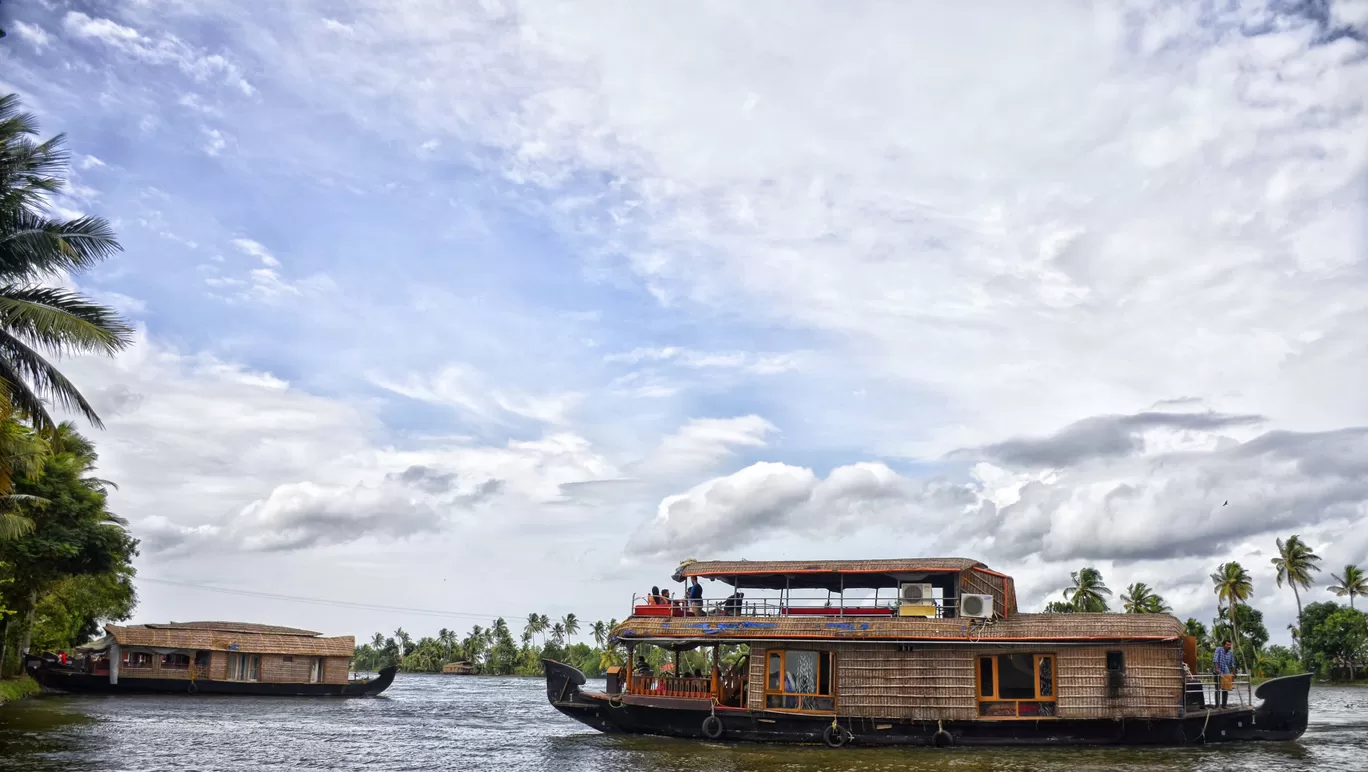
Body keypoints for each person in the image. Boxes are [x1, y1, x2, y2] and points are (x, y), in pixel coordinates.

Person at [1213, 639, 1236, 708]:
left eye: (1229, 645)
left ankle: (1224, 705)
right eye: (1227, 645)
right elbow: (1215, 659)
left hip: (1226, 672)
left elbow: (1232, 664)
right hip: (1218, 672)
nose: (1228, 646)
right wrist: (1217, 669)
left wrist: (1234, 673)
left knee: (1225, 689)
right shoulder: (1219, 649)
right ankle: (1217, 706)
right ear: (1224, 645)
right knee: (1217, 689)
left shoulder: (1230, 653)